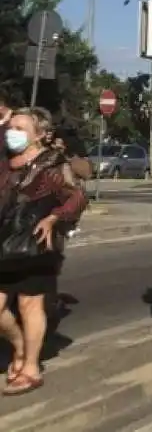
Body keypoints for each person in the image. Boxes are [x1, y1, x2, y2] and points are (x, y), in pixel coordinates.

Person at [0, 108, 87, 395]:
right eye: (11, 127)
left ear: (39, 135)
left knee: (29, 304)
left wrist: (54, 218)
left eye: (21, 128)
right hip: (3, 243)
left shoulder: (52, 165)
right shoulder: (5, 163)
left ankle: (31, 368)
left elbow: (77, 197)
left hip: (37, 244)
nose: (13, 132)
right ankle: (20, 345)